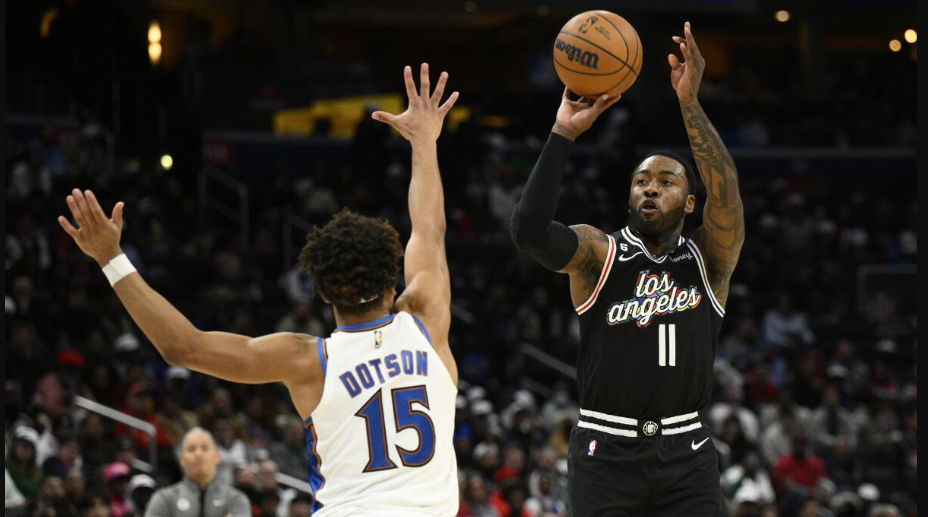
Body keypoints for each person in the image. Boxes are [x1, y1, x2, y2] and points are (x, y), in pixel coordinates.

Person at [59, 62, 460, 517]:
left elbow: (182, 347)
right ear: (392, 282)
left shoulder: (307, 360)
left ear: (322, 293)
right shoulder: (426, 318)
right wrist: (424, 141)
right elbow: (429, 230)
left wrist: (110, 258)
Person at [510, 22, 744, 516]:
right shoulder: (599, 253)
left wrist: (689, 103)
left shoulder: (709, 259)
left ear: (691, 203)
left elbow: (727, 192)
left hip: (687, 451)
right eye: (641, 181)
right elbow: (529, 232)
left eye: (667, 181)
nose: (651, 187)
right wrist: (563, 133)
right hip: (606, 452)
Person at [143, 428, 250, 517]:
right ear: (182, 459)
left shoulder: (236, 499)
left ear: (217, 456)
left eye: (205, 448)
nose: (198, 454)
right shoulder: (164, 498)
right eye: (191, 449)